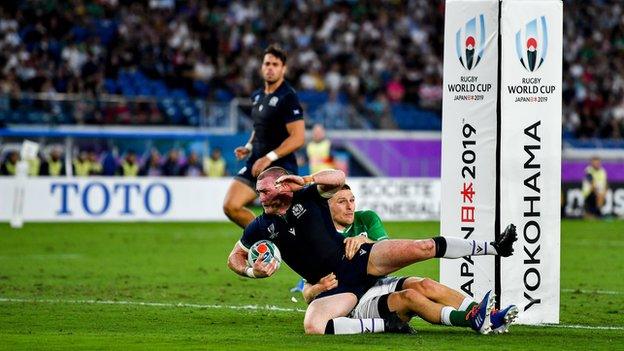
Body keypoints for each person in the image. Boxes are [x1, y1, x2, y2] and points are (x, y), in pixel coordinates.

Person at [227, 167, 517, 335]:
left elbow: (338, 177)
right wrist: (253, 271)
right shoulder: (259, 226)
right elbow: (234, 258)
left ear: (283, 187)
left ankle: (495, 247)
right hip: (337, 287)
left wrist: (305, 179)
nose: (259, 195)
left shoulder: (307, 195)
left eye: (265, 190)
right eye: (259, 191)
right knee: (313, 325)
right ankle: (385, 325)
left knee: (424, 248)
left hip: (357, 261)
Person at [302, 184, 518, 334]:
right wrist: (318, 287)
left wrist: (363, 239)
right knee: (410, 297)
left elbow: (388, 251)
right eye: (341, 202)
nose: (350, 207)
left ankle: (491, 316)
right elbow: (307, 292)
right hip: (351, 301)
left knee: (425, 284)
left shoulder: (366, 219)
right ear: (326, 207)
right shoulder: (318, 237)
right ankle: (471, 318)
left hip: (375, 283)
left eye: (352, 200)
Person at [223, 45, 305, 229]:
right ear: (261, 67)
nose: (270, 67)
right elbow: (259, 127)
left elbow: (298, 137)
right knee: (231, 206)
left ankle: (279, 241)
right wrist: (249, 147)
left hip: (280, 166)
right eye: (267, 63)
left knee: (283, 219)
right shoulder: (258, 96)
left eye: (275, 64)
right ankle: (267, 237)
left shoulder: (288, 97)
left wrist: (269, 158)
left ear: (283, 69)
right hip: (255, 162)